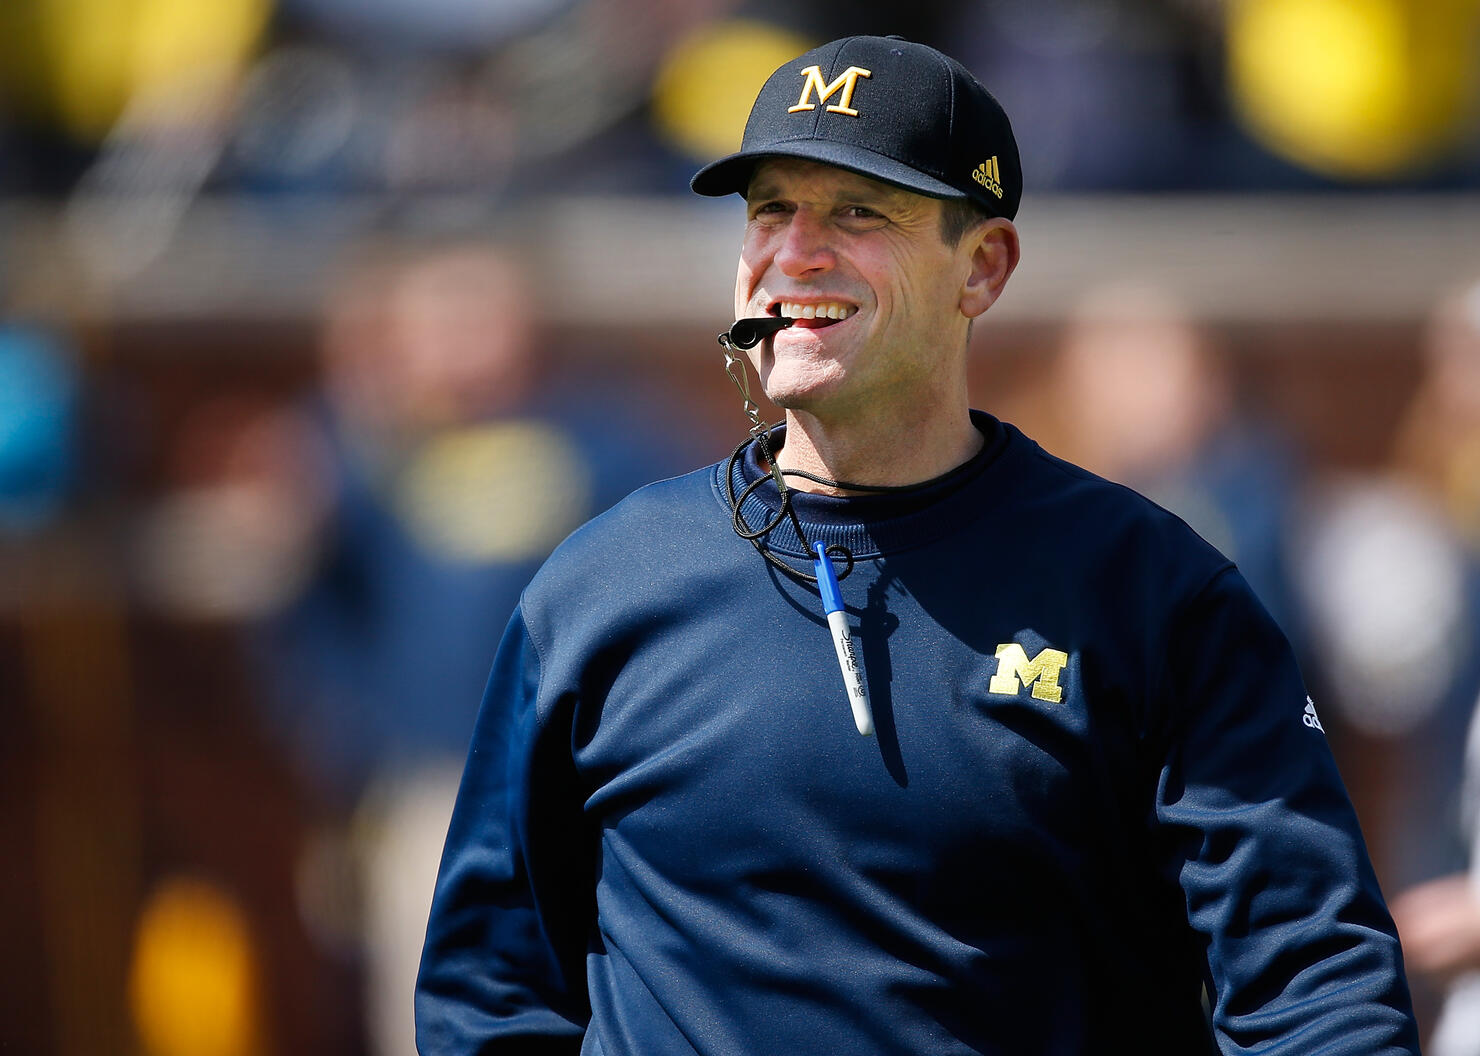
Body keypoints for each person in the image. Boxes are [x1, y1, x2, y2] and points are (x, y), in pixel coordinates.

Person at [416, 35, 1419, 1054]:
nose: (795, 251)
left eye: (858, 211)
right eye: (769, 209)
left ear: (981, 267)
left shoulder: (1148, 591)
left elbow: (1311, 984)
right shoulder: (603, 585)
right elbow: (490, 994)